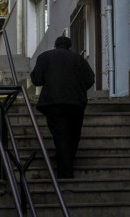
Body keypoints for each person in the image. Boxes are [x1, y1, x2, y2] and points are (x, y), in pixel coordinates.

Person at [30, 35, 95, 179]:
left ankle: (65, 172)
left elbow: (37, 80)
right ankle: (67, 163)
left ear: (55, 45)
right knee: (74, 134)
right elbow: (90, 78)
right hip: (76, 102)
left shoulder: (45, 57)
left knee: (61, 135)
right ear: (70, 46)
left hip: (54, 102)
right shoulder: (79, 59)